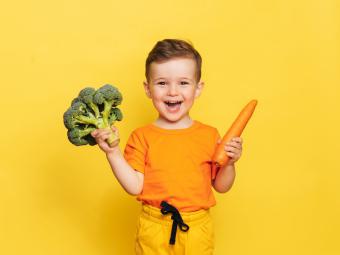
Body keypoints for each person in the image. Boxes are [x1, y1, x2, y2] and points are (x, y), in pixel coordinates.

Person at [91, 39, 243, 255]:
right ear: (148, 88)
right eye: (162, 83)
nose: (173, 92)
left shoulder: (210, 135)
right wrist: (113, 153)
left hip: (197, 229)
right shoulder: (142, 136)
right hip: (153, 228)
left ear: (198, 88)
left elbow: (221, 186)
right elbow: (134, 187)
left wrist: (230, 163)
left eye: (183, 83)